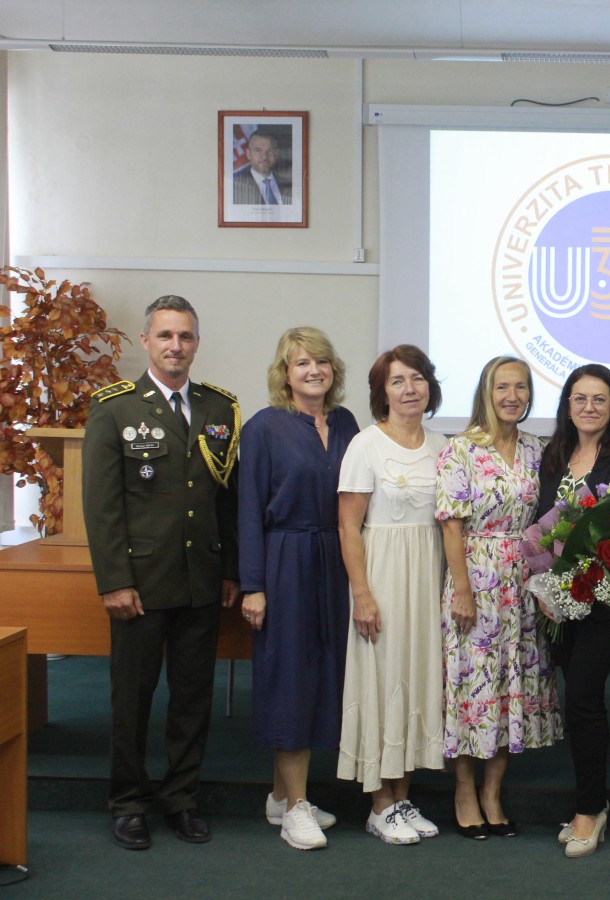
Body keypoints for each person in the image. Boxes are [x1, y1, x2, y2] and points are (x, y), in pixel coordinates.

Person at [83, 294, 241, 850]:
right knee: (132, 700)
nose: (176, 346)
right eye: (166, 335)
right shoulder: (115, 408)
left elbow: (227, 499)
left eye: (186, 336)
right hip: (141, 584)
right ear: (146, 341)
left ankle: (181, 799)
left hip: (202, 579)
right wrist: (114, 581)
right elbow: (102, 505)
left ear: (197, 343)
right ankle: (128, 802)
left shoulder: (219, 408)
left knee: (192, 699)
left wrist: (231, 569)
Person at [237, 327, 359, 850]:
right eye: (302, 362)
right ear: (284, 373)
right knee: (290, 679)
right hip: (285, 561)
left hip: (335, 560)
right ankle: (297, 809)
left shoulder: (347, 422)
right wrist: (254, 585)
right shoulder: (263, 428)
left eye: (321, 361)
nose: (314, 370)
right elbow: (247, 510)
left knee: (323, 676)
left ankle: (280, 796)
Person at [436, 356, 563, 840]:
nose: (513, 396)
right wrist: (462, 590)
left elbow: (546, 521)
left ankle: (493, 793)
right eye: (503, 387)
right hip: (476, 578)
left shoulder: (536, 450)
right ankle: (464, 792)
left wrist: (547, 584)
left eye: (521, 388)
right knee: (474, 687)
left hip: (522, 583)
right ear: (486, 393)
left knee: (512, 689)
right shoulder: (461, 449)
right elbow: (451, 526)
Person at [536, 364, 610, 859]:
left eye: (599, 399)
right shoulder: (555, 454)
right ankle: (592, 802)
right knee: (578, 700)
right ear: (568, 404)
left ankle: (590, 809)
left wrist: (588, 581)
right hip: (560, 604)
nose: (589, 407)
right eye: (580, 398)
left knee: (584, 694)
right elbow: (541, 525)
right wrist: (549, 588)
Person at [336, 345, 447, 844]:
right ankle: (379, 804)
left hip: (427, 576)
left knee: (416, 677)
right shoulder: (365, 445)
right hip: (382, 575)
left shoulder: (443, 445)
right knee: (382, 680)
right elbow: (348, 526)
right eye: (397, 381)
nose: (409, 389)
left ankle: (402, 799)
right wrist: (361, 593)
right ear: (382, 392)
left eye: (417, 378)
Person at [233, 130, 291, 205]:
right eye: (258, 150)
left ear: (276, 154)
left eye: (270, 150)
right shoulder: (235, 184)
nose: (264, 157)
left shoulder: (288, 184)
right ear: (248, 154)